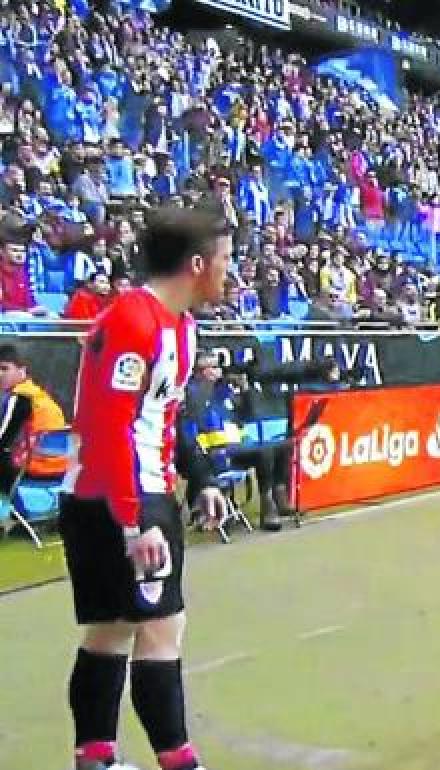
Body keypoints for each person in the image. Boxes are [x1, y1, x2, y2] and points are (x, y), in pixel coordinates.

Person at [58, 206, 231, 770]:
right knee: (161, 628)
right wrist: (133, 523)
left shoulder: (181, 327)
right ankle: (178, 760)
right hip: (118, 496)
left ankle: (95, 757)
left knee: (112, 630)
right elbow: (108, 427)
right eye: (225, 260)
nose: (230, 273)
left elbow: (165, 418)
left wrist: (201, 478)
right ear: (198, 264)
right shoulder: (132, 322)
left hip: (129, 495)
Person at [180, 351, 293, 532]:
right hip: (210, 455)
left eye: (218, 366)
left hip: (235, 451)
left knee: (279, 447)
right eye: (212, 367)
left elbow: (249, 414)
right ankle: (267, 504)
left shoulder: (225, 392)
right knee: (265, 452)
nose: (218, 371)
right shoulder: (191, 394)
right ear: (198, 371)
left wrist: (246, 390)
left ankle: (273, 499)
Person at [0, 343, 68, 495]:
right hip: (59, 470)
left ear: (22, 370)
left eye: (5, 368)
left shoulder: (20, 398)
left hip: (33, 469)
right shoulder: (39, 395)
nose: (0, 374)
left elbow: (4, 440)